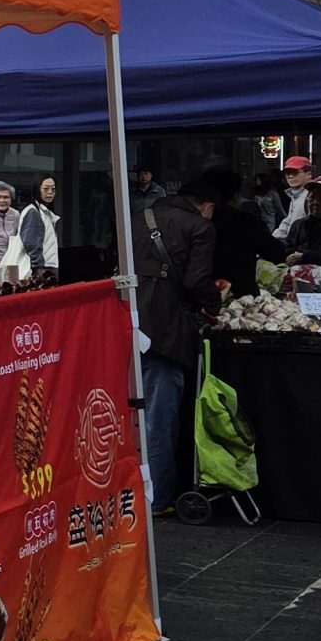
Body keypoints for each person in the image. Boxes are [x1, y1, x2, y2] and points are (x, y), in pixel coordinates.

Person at [134, 167, 220, 527]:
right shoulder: (200, 227)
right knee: (159, 415)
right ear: (207, 206)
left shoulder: (139, 217)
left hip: (128, 319)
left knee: (130, 412)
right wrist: (214, 305)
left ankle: (128, 489)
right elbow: (197, 280)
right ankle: (158, 496)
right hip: (166, 330)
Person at [201, 163, 280, 297]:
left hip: (203, 292)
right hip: (242, 295)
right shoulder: (246, 222)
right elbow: (276, 253)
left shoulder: (196, 222)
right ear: (236, 195)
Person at [18, 174, 61, 281]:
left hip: (48, 265)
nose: (50, 192)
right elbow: (31, 244)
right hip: (41, 269)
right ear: (37, 190)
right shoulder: (33, 212)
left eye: (53, 189)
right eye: (46, 189)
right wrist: (39, 269)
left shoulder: (45, 212)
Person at [269, 152, 314, 242]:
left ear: (308, 174)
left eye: (295, 172)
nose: (290, 176)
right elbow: (288, 221)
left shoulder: (311, 196)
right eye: (287, 173)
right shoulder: (295, 195)